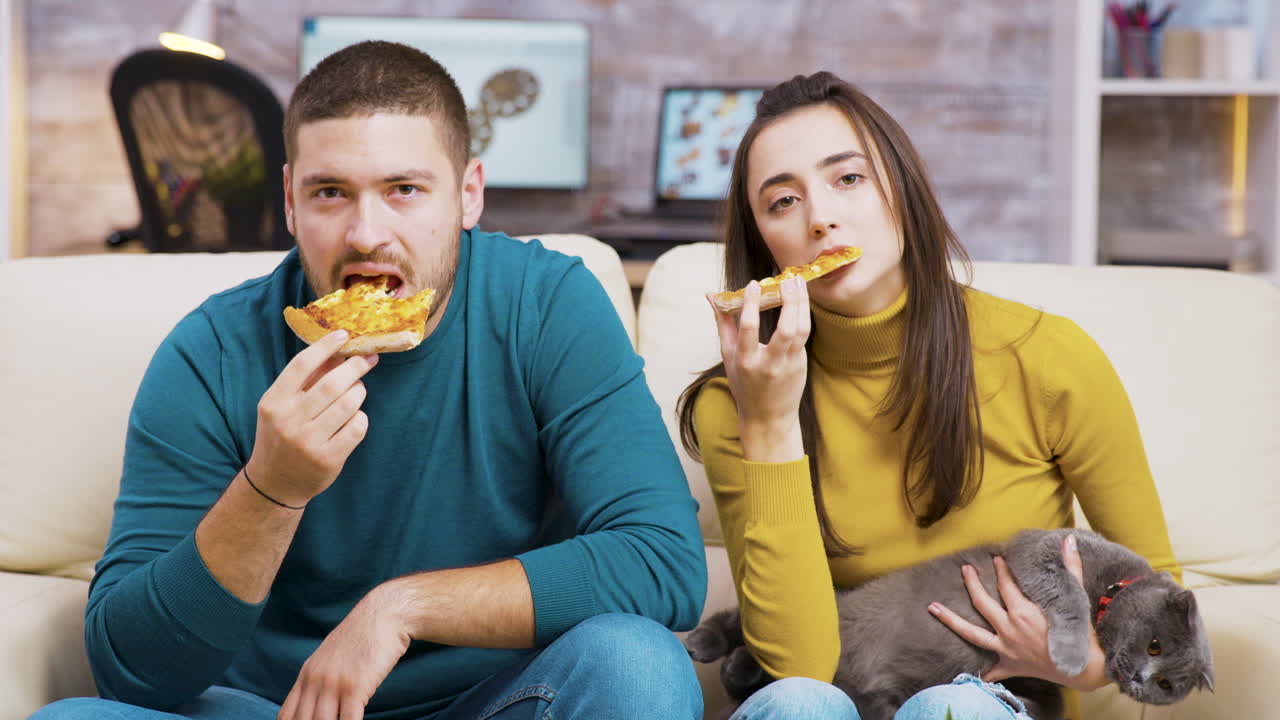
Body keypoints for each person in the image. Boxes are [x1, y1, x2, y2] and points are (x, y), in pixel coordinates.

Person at [34, 41, 706, 720]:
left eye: (404, 190)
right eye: (331, 193)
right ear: (291, 203)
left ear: (469, 194)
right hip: (275, 709)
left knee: (637, 664)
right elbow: (129, 671)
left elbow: (663, 561)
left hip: (498, 704)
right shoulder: (211, 350)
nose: (366, 234)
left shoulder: (547, 305)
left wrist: (399, 610)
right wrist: (271, 488)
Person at [677, 71, 1181, 719]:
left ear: (902, 191)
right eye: (782, 202)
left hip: (1000, 702)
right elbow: (797, 673)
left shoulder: (1048, 356)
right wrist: (770, 423)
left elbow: (1158, 594)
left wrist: (1077, 665)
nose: (821, 216)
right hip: (836, 697)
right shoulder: (736, 403)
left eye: (848, 179)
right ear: (765, 247)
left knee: (957, 708)